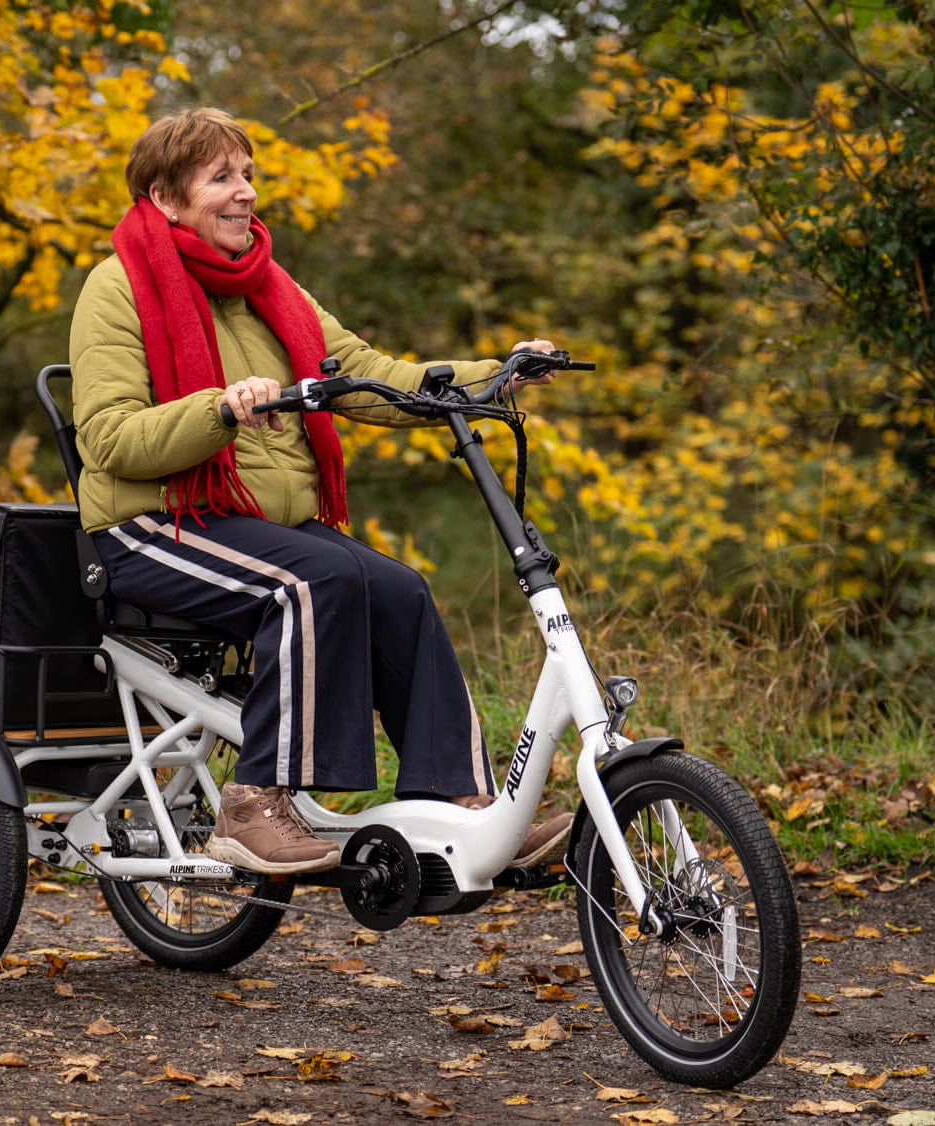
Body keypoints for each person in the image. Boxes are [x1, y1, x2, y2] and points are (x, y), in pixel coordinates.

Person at [68, 107, 571, 876]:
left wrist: (494, 376)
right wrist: (218, 410)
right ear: (165, 197)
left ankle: (463, 803)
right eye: (221, 178)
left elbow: (370, 379)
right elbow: (106, 438)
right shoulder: (117, 288)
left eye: (248, 176)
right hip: (148, 524)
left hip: (252, 524)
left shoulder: (270, 288)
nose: (245, 194)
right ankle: (254, 803)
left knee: (398, 589)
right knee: (315, 581)